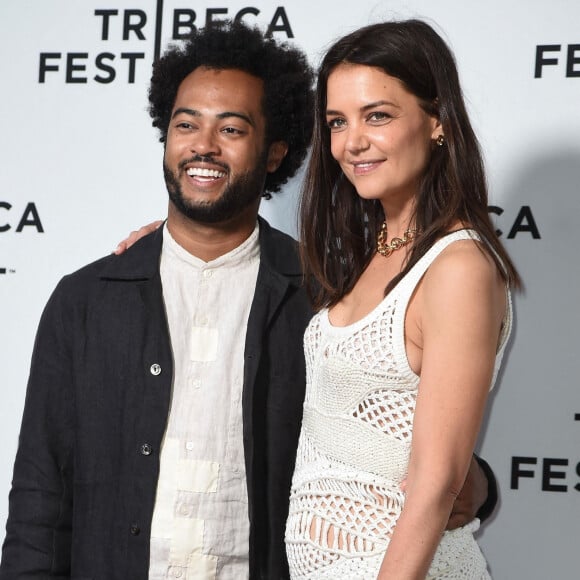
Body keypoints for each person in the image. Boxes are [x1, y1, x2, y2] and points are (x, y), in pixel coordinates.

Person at [1, 19, 496, 580]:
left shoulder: (325, 295)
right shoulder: (87, 300)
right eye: (186, 125)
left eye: (231, 129)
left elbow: (373, 429)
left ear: (274, 151)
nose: (203, 146)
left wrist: (474, 482)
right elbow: (39, 498)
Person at [284, 19, 521, 579]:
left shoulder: (458, 266)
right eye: (337, 122)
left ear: (437, 120)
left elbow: (437, 482)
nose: (351, 142)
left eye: (378, 116)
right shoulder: (373, 250)